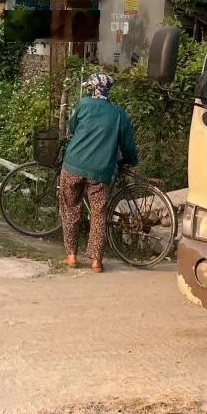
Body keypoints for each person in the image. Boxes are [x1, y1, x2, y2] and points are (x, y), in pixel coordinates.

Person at [58, 72, 139, 272]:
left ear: (93, 89)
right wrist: (130, 160)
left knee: (70, 209)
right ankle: (96, 261)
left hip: (73, 165)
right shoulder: (120, 114)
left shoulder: (84, 104)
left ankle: (71, 256)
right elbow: (128, 146)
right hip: (101, 171)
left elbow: (73, 126)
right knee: (98, 214)